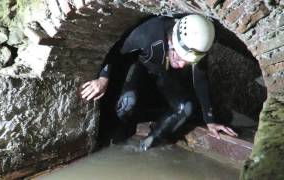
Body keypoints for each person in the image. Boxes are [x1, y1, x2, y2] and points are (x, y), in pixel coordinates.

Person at [80, 14, 237, 151]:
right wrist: (103, 78)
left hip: (163, 73)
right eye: (180, 57)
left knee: (186, 107)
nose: (182, 65)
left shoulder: (195, 45)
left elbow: (200, 81)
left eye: (188, 62)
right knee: (128, 102)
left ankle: (147, 145)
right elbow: (115, 49)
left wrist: (210, 120)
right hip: (140, 65)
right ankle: (115, 143)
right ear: (171, 40)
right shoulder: (149, 33)